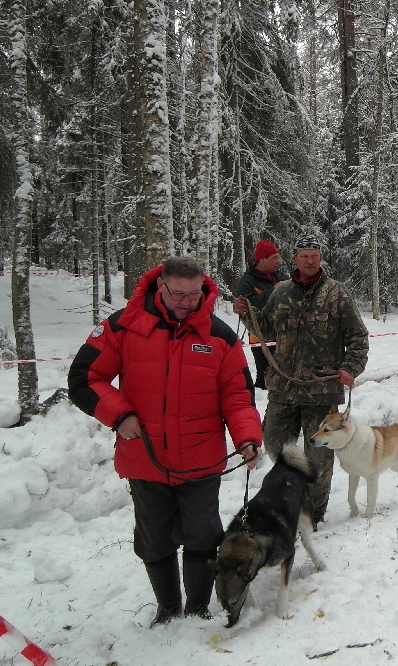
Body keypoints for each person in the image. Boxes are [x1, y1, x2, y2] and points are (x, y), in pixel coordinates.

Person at [68, 256, 262, 627]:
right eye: (178, 294)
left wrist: (247, 438)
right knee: (154, 539)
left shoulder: (220, 336)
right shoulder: (123, 326)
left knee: (203, 535)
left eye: (194, 295)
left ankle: (198, 608)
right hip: (145, 457)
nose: (187, 302)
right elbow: (84, 378)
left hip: (201, 460)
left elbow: (238, 397)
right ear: (161, 286)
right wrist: (120, 415)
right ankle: (168, 608)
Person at [233, 234, 368, 526]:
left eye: (315, 255)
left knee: (319, 457)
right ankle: (292, 491)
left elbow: (358, 336)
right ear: (294, 259)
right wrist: (248, 314)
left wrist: (351, 367)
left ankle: (313, 514)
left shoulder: (336, 293)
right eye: (304, 255)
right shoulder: (281, 292)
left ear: (321, 258)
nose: (310, 260)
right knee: (274, 444)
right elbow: (267, 328)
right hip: (283, 388)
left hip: (322, 390)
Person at [235, 239, 284, 389]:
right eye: (274, 258)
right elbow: (247, 306)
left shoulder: (280, 276)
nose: (278, 261)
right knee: (264, 378)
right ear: (262, 259)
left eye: (278, 257)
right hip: (260, 336)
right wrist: (273, 292)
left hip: (283, 334)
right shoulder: (247, 280)